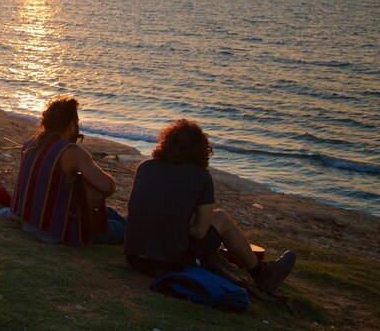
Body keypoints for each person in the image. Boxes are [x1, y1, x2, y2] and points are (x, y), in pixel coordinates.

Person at [124, 119, 296, 293]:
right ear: (200, 149)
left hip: (135, 258)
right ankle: (261, 273)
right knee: (220, 218)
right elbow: (200, 231)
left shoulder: (145, 167)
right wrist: (180, 226)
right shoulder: (201, 177)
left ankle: (229, 265)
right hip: (167, 263)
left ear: (166, 142)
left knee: (189, 222)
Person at [10, 96, 117, 246]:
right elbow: (109, 187)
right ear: (72, 125)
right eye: (77, 122)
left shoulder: (31, 143)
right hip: (51, 231)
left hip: (27, 220)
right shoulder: (71, 151)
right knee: (122, 227)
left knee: (112, 214)